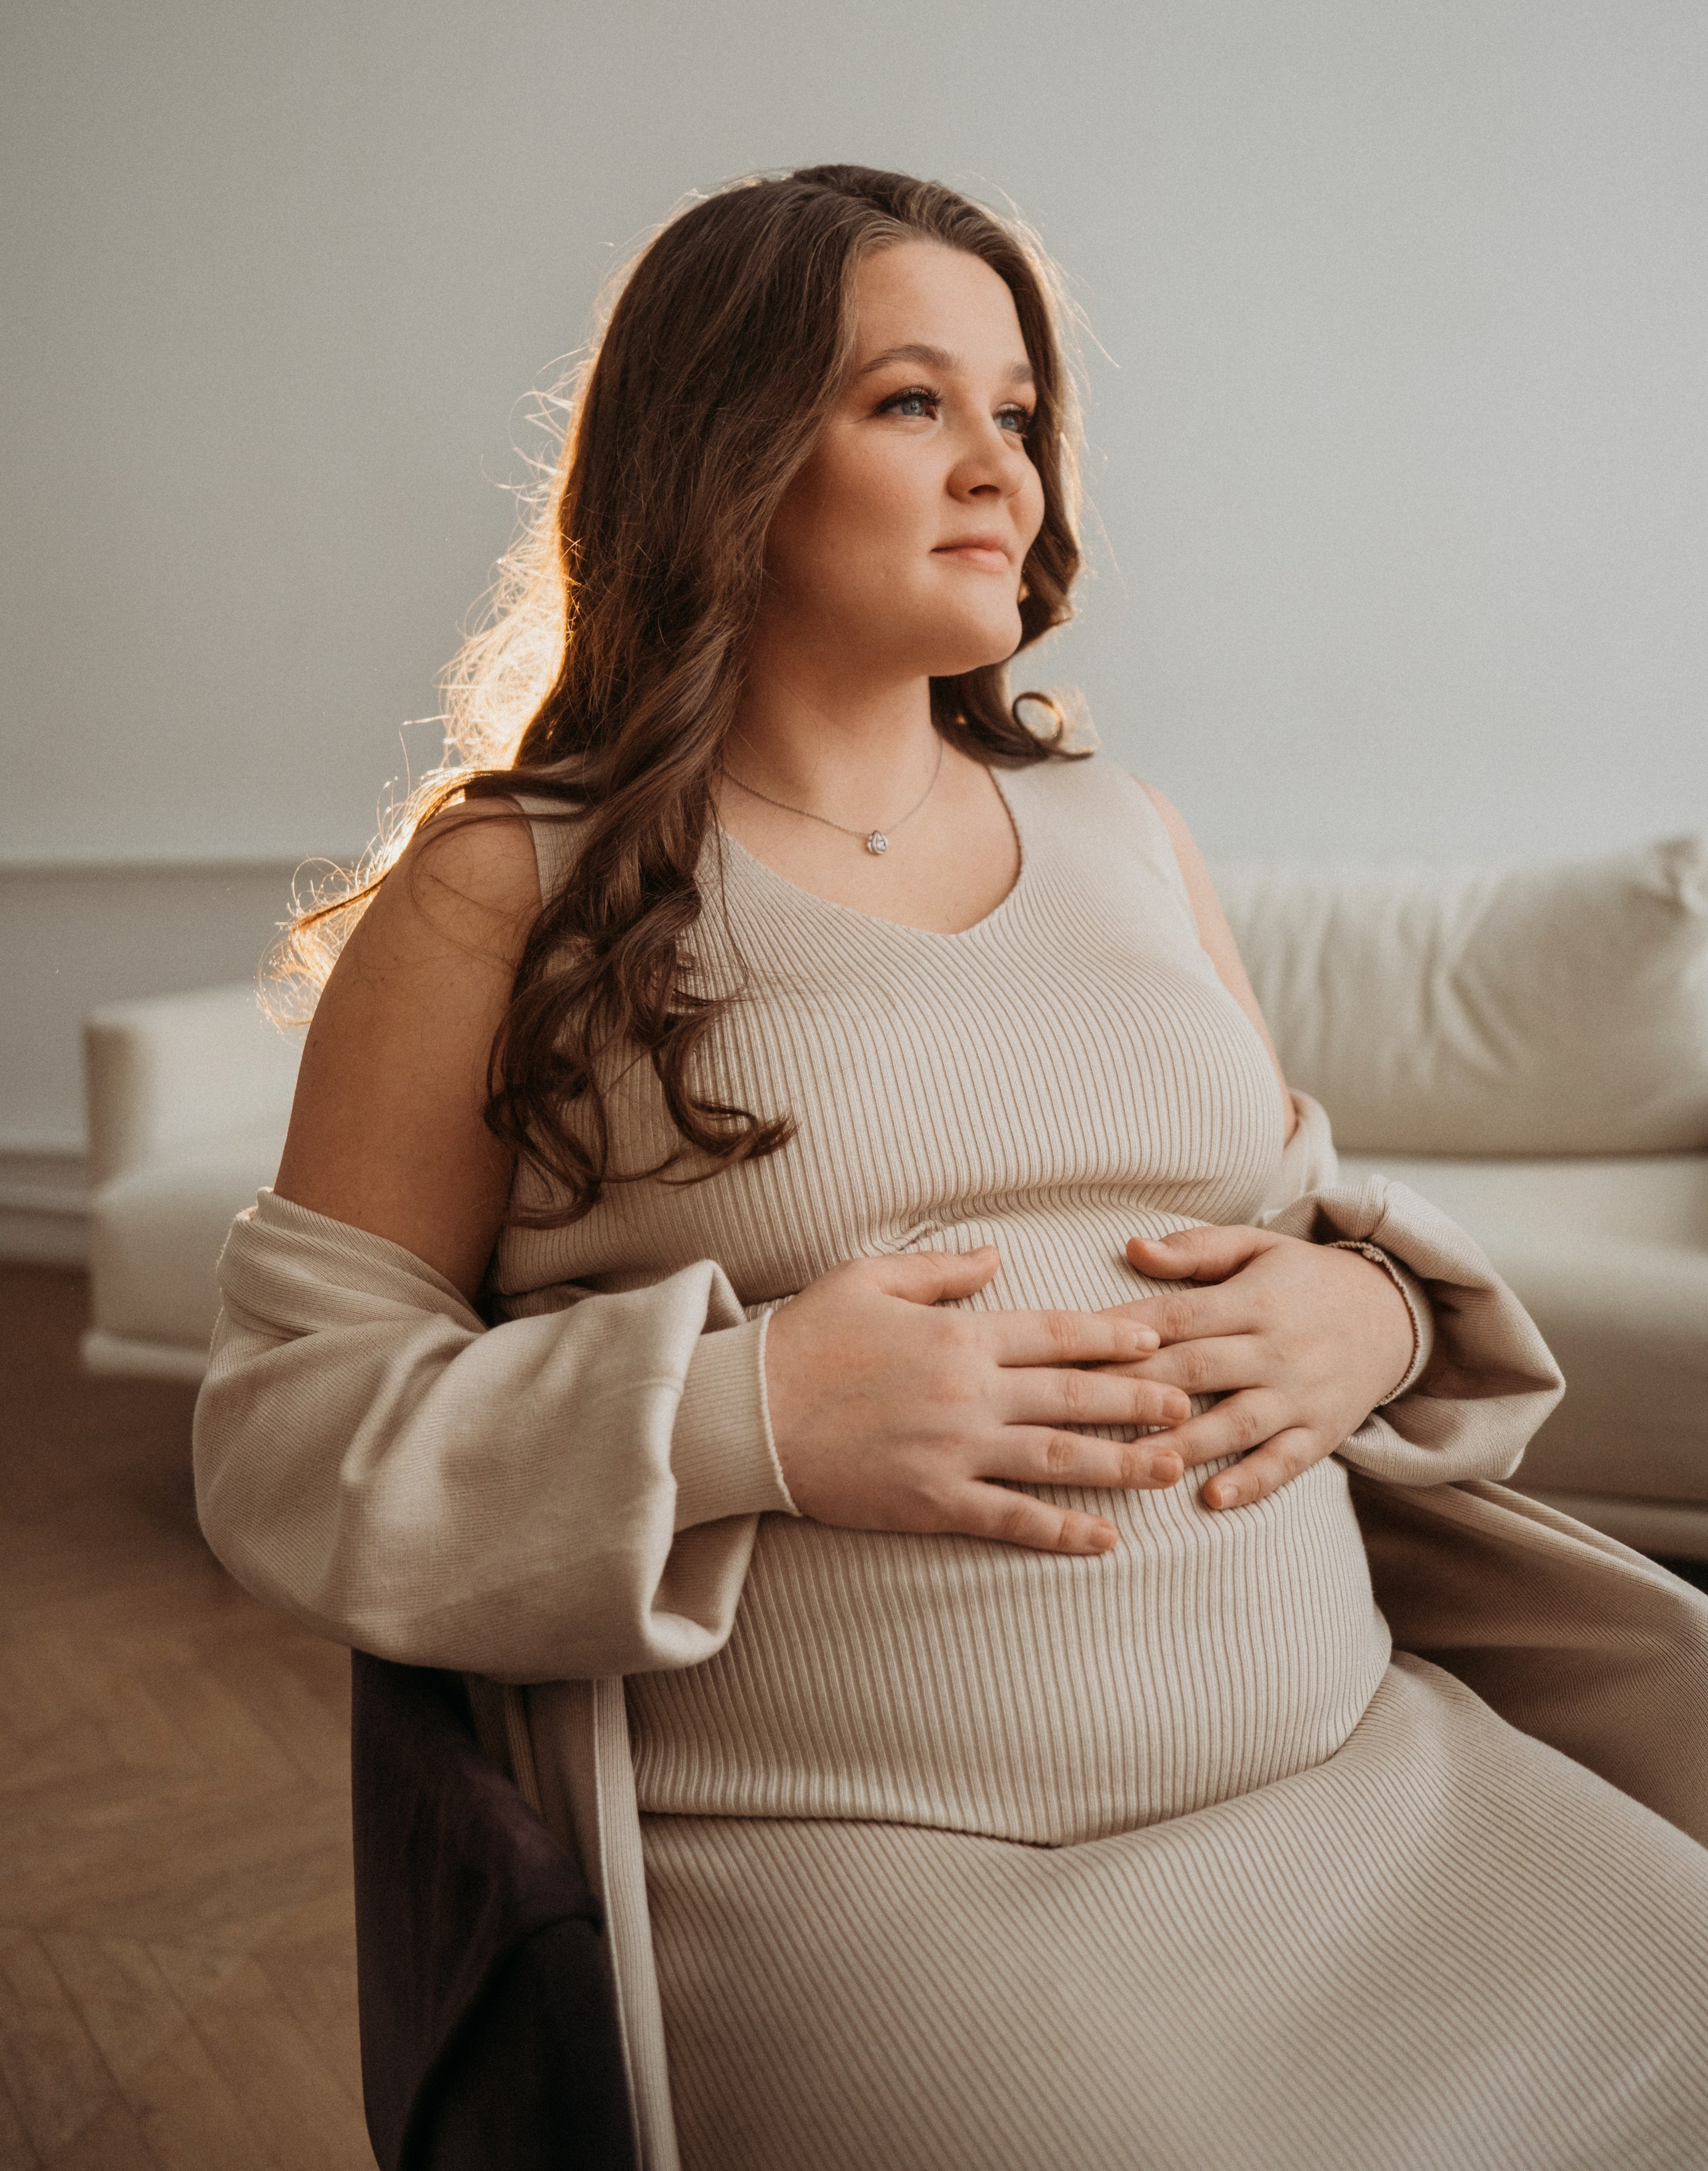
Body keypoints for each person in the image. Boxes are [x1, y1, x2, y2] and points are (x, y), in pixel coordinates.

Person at [195, 166, 1708, 2171]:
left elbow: (1298, 1210)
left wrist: (1365, 1312)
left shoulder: (1123, 831)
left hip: (1360, 1774)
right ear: (720, 457)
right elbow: (292, 1433)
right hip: (896, 1877)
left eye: (1018, 410)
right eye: (912, 402)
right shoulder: (511, 894)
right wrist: (754, 1414)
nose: (999, 465)